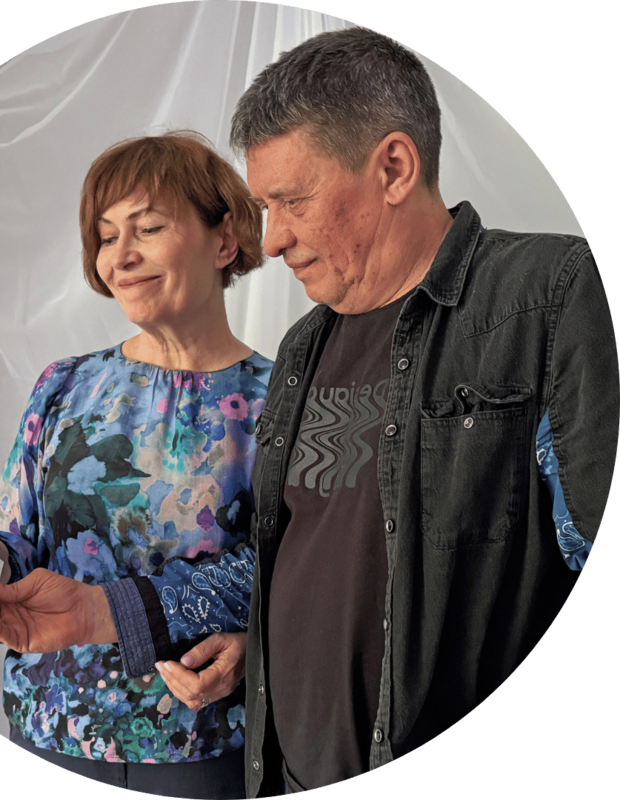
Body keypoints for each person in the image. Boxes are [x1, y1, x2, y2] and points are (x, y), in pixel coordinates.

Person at [160, 27, 618, 797]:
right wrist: (259, 646)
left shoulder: (551, 294)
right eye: (266, 207)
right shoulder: (304, 343)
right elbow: (325, 559)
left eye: (292, 201)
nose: (272, 242)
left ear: (395, 167)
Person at [0, 131, 272, 798]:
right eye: (107, 236)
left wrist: (252, 643)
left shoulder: (281, 398)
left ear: (224, 239)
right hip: (45, 727)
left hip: (200, 746)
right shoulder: (63, 385)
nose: (122, 256)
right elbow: (22, 546)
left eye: (148, 227)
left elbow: (302, 569)